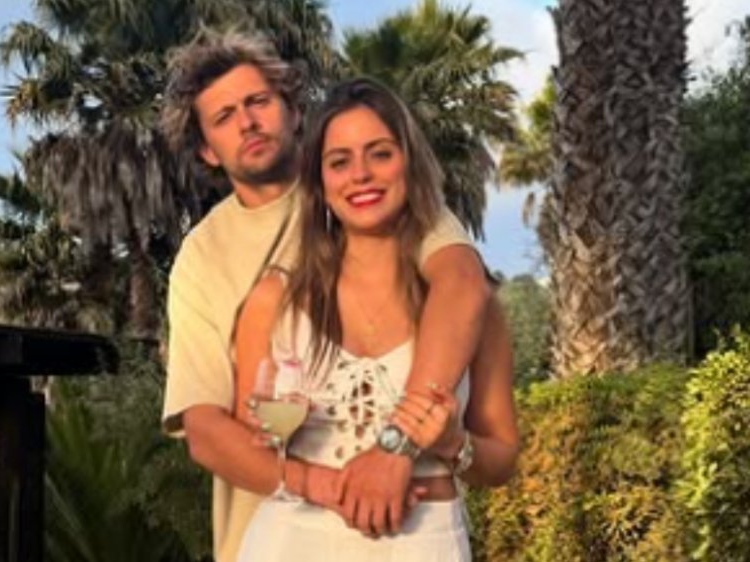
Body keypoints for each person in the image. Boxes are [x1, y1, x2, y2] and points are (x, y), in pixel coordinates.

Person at [158, 30, 497, 562]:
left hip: (412, 529)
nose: (247, 122)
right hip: (272, 534)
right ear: (207, 150)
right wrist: (324, 485)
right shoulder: (202, 258)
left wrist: (397, 444)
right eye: (224, 117)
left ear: (294, 109)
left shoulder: (373, 194)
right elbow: (204, 428)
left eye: (258, 101)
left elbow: (461, 284)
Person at [232, 77, 519, 561]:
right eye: (339, 162)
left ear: (410, 164)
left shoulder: (472, 303)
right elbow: (246, 447)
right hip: (289, 540)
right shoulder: (275, 300)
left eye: (380, 154)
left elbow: (502, 459)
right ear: (320, 184)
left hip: (424, 542)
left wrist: (453, 444)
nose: (361, 175)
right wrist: (273, 433)